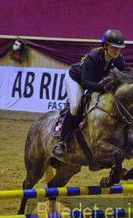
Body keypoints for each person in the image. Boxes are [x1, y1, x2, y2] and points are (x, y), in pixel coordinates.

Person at [53, 29, 126, 157]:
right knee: (76, 106)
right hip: (76, 79)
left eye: (119, 48)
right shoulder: (92, 58)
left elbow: (122, 78)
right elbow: (86, 83)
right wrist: (104, 87)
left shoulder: (119, 60)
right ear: (105, 46)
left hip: (97, 83)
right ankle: (61, 142)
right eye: (114, 47)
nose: (117, 51)